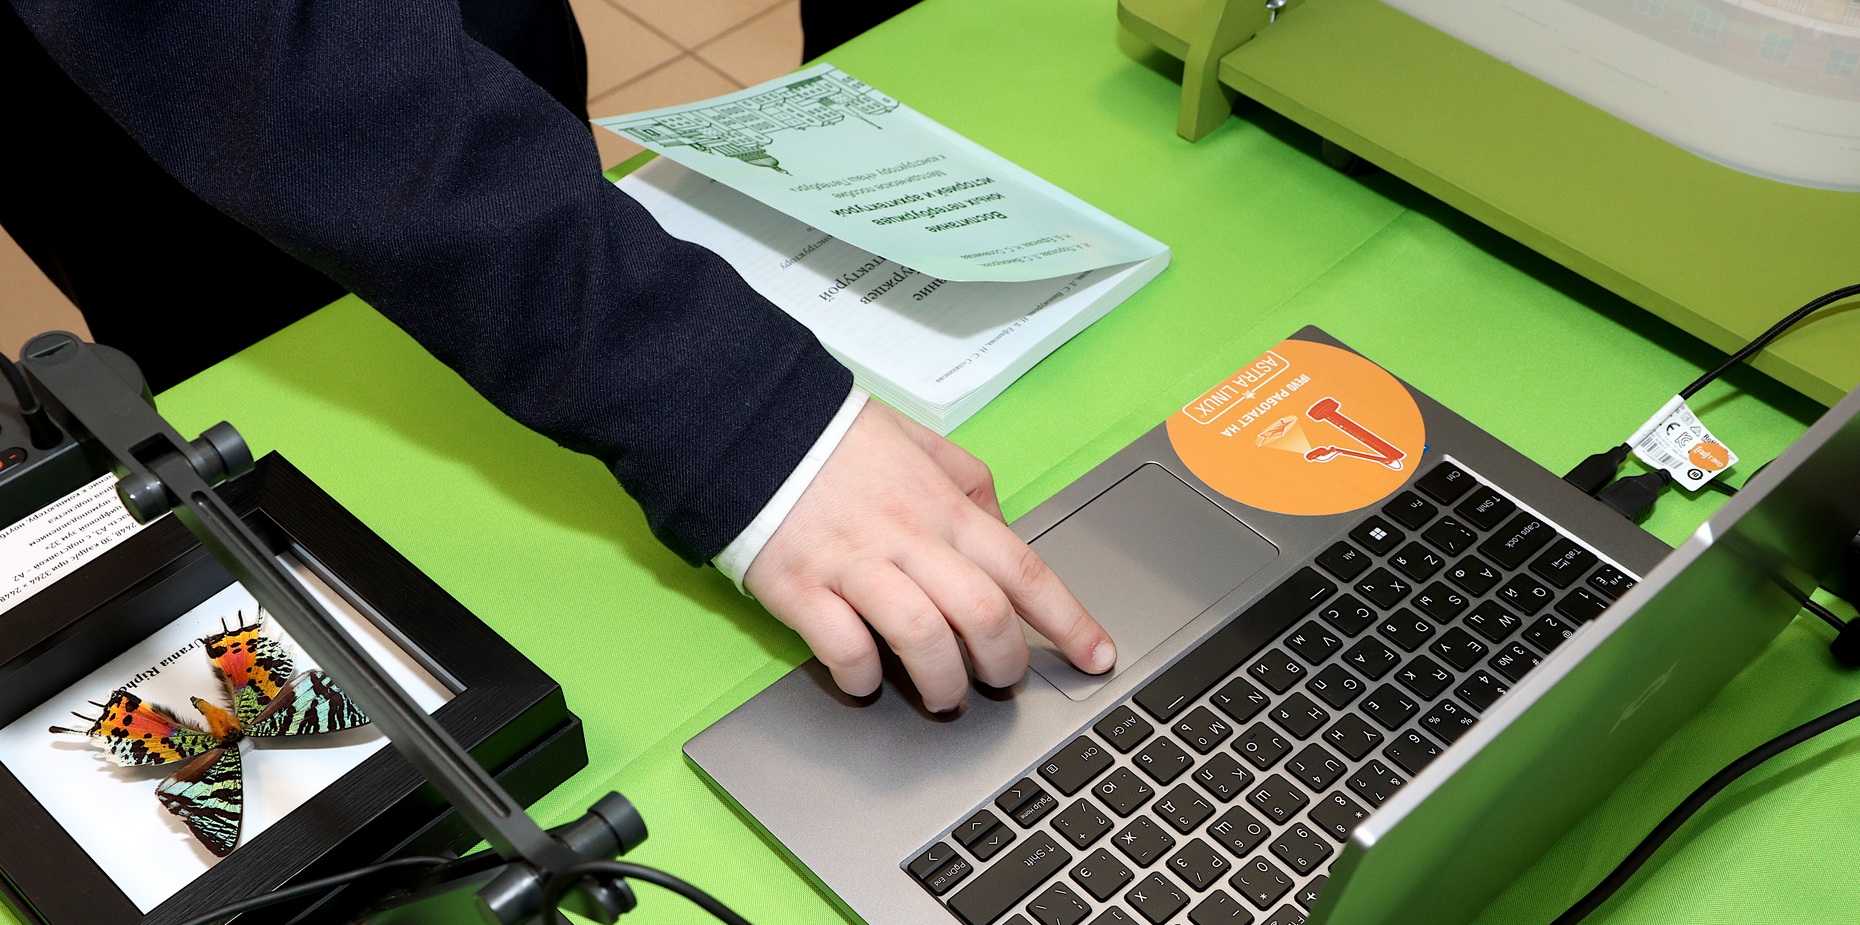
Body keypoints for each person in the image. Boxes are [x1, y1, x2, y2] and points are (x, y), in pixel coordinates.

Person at [1, 0, 1113, 714]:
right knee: (266, 367)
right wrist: (738, 416)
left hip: (449, 57)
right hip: (204, 132)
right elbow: (249, 53)